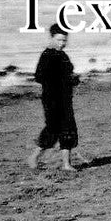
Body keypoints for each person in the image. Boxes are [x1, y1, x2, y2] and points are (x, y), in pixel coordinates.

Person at [29, 23, 81, 171]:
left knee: (69, 129)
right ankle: (33, 157)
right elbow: (39, 76)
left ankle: (66, 164)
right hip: (51, 99)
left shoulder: (63, 55)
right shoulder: (46, 55)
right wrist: (57, 80)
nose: (62, 43)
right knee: (53, 129)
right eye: (59, 40)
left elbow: (69, 74)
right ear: (52, 38)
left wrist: (73, 79)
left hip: (65, 98)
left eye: (64, 40)